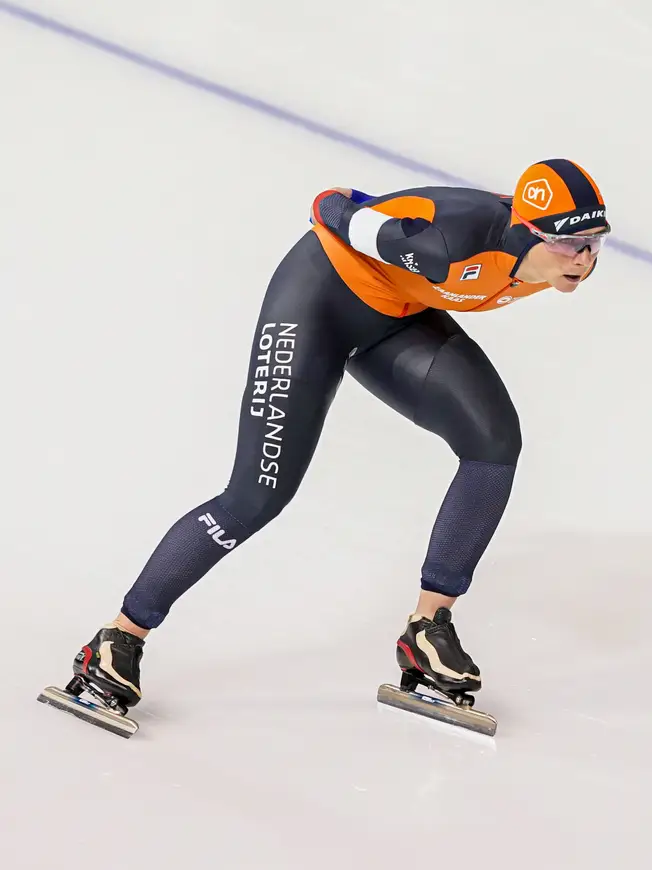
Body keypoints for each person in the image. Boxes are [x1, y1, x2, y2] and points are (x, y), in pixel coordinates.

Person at [66, 158, 610, 716]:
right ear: (528, 231)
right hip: (317, 304)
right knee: (257, 495)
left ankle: (427, 631)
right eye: (571, 244)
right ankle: (117, 639)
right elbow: (331, 206)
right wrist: (357, 211)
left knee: (493, 445)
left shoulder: (549, 257)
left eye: (594, 243)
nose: (584, 259)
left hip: (396, 316)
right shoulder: (452, 243)